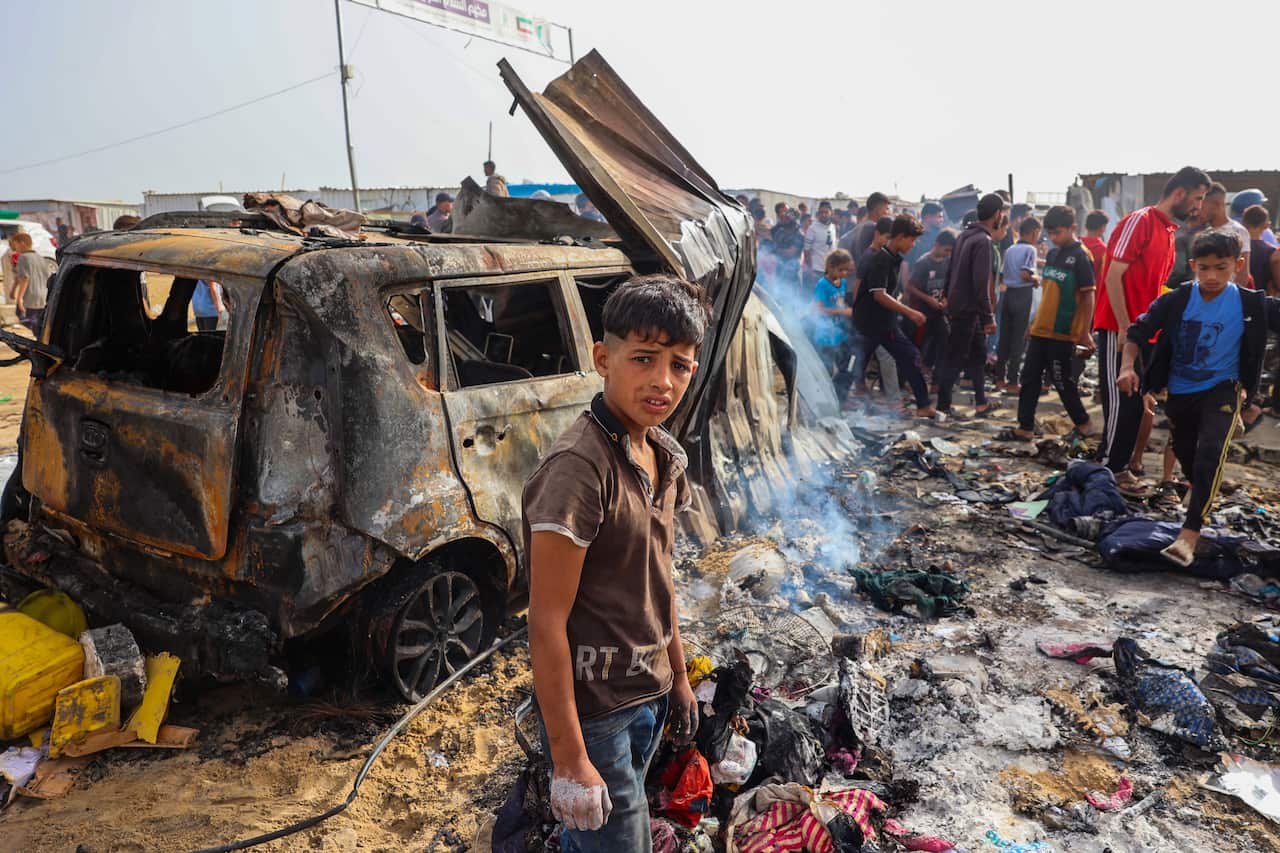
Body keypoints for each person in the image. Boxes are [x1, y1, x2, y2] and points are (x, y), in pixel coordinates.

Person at [523, 274, 704, 851]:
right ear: (603, 357)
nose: (662, 381)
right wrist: (571, 760)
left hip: (647, 691)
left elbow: (660, 580)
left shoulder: (664, 454)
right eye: (644, 358)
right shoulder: (580, 468)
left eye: (679, 365)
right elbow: (545, 619)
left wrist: (677, 676)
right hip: (596, 712)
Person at [1116, 228, 1280, 566]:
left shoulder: (1251, 304)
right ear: (1193, 265)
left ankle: (1190, 532)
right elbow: (1137, 332)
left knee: (1211, 450)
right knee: (1190, 458)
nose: (1212, 276)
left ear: (1238, 264)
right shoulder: (1176, 299)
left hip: (1224, 387)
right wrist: (1128, 367)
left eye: (1221, 267)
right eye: (1204, 268)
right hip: (1180, 391)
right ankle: (1198, 500)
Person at [1095, 166, 1211, 489]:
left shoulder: (1169, 234)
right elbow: (1113, 275)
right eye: (1197, 199)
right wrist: (1122, 328)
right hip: (1117, 328)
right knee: (1122, 401)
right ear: (1179, 194)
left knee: (1136, 405)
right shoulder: (1141, 221)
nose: (1198, 207)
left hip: (1142, 334)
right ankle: (1111, 470)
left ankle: (1115, 468)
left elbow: (1154, 289)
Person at [1013, 206, 1096, 439]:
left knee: (1062, 381)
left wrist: (1085, 332)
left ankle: (1084, 424)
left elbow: (1089, 295)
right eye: (1050, 234)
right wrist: (1034, 323)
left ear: (1072, 228)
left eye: (1058, 233)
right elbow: (1048, 292)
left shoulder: (1081, 256)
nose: (1054, 238)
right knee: (1029, 378)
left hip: (1064, 331)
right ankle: (1025, 427)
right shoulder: (1052, 254)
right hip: (1041, 329)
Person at [851, 214, 935, 417]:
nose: (913, 245)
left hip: (882, 323)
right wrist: (910, 312)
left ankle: (923, 406)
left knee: (908, 357)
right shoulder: (880, 260)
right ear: (900, 237)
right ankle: (836, 402)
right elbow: (879, 295)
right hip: (870, 324)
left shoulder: (893, 259)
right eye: (912, 240)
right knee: (853, 364)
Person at [937, 193, 1003, 418]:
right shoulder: (983, 241)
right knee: (955, 358)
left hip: (961, 307)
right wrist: (989, 317)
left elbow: (950, 270)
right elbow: (980, 283)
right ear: (997, 215)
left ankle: (981, 403)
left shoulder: (964, 236)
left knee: (977, 355)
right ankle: (943, 407)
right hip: (969, 309)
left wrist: (946, 294)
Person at [994, 216, 1042, 393]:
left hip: (1008, 295)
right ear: (1034, 232)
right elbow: (1025, 274)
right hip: (1022, 295)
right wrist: (1036, 279)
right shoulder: (1030, 249)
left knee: (1005, 337)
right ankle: (1013, 382)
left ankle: (1000, 378)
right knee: (1019, 339)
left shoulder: (1010, 249)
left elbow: (1002, 275)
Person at [906, 228, 957, 379]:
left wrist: (946, 299)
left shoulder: (948, 262)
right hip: (922, 312)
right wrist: (928, 299)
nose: (948, 254)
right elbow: (910, 287)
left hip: (940, 312)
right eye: (946, 250)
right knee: (919, 346)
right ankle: (914, 377)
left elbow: (950, 284)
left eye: (950, 251)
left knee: (945, 342)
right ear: (937, 244)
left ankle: (937, 380)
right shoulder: (923, 263)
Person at [811, 249, 856, 402]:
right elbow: (819, 309)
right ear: (830, 267)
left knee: (846, 367)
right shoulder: (822, 285)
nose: (844, 273)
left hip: (840, 333)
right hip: (825, 335)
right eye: (840, 269)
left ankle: (840, 399)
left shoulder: (842, 282)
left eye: (846, 270)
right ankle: (821, 399)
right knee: (827, 370)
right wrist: (842, 312)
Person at [1201, 183, 1251, 287]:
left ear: (1217, 204)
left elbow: (1242, 275)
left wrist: (1229, 300)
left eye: (1201, 205)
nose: (1196, 210)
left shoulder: (1238, 231)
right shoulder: (1205, 232)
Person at [9, 232, 49, 334]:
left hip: (30, 297)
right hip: (43, 296)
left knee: (25, 318)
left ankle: (39, 341)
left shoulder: (23, 257)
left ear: (22, 243)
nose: (14, 247)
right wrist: (13, 290)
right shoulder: (40, 257)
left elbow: (24, 278)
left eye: (15, 244)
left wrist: (20, 298)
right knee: (40, 322)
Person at [1243, 205, 1279, 295]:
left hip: (1237, 297)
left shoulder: (1235, 247)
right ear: (1266, 225)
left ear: (1243, 223)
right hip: (1261, 301)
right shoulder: (1271, 252)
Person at [802, 201, 838, 292]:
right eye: (821, 212)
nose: (823, 215)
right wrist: (811, 271)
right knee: (817, 300)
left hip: (830, 270)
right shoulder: (812, 229)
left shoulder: (833, 227)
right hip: (816, 271)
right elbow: (806, 252)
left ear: (831, 213)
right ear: (818, 213)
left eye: (826, 212)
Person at [851, 192, 891, 268]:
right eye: (886, 209)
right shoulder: (873, 228)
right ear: (878, 209)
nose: (887, 213)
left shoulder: (860, 226)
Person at [771, 212, 804, 295]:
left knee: (793, 297)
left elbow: (790, 252)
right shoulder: (779, 232)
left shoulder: (799, 234)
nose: (784, 220)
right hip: (779, 270)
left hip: (792, 273)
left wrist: (777, 250)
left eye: (787, 218)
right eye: (783, 218)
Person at [1081, 209, 1109, 288]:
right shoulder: (1104, 250)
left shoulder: (1075, 244)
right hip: (1093, 295)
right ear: (1103, 228)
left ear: (1086, 226)